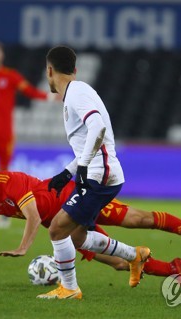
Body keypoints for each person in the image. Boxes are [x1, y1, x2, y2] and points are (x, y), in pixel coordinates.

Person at [0, 151, 181, 293]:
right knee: (119, 263)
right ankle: (175, 270)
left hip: (76, 199)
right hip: (64, 227)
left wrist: (23, 247)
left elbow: (32, 215)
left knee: (141, 220)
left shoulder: (10, 182)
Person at [41, 46, 149, 299]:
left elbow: (97, 127)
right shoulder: (75, 93)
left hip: (100, 174)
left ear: (49, 70)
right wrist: (68, 173)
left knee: (57, 229)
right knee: (77, 237)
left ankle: (69, 288)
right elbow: (86, 142)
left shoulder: (77, 92)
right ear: (74, 69)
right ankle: (135, 255)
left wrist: (84, 166)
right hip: (100, 172)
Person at [0, 39, 54, 229]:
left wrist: (48, 96)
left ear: (1, 55)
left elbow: (29, 91)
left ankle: (5, 214)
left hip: (5, 133)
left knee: (4, 174)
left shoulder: (11, 76)